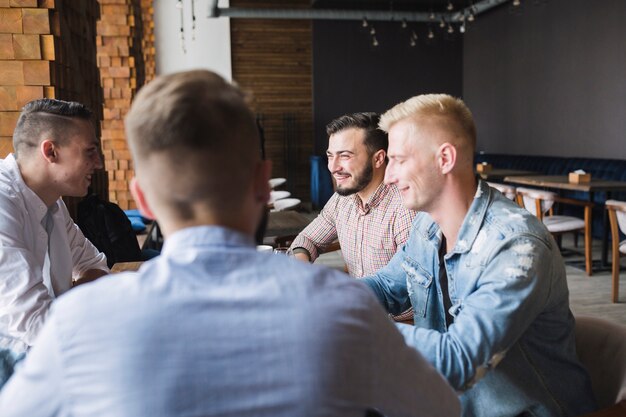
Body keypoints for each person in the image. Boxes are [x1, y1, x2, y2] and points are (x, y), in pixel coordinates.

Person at [0, 71, 460, 417]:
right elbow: (443, 408)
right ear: (263, 182)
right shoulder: (345, 309)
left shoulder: (80, 327)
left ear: (144, 200)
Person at [362, 94, 597, 416]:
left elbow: (459, 361)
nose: (388, 176)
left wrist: (345, 323)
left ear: (445, 158)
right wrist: (322, 294)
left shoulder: (516, 245)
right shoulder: (426, 225)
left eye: (399, 160)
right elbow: (388, 286)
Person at [0, 99, 109, 385]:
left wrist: (62, 307)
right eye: (90, 151)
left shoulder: (53, 204)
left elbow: (95, 266)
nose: (98, 163)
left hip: (45, 358)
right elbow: (36, 323)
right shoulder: (3, 203)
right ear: (51, 151)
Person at [290, 112, 415, 278]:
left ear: (378, 159)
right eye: (330, 156)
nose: (333, 167)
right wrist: (301, 269)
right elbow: (307, 239)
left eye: (345, 156)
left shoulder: (406, 208)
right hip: (355, 299)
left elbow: (408, 283)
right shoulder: (342, 200)